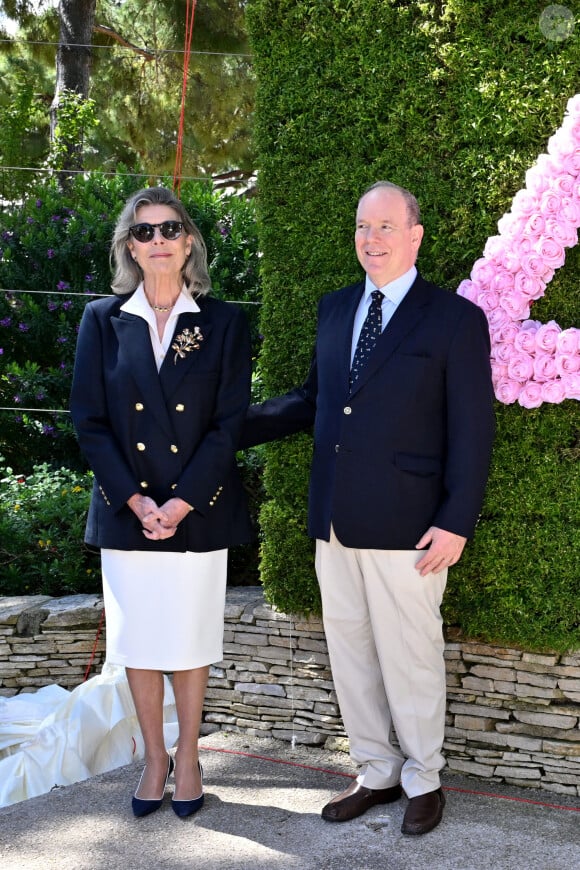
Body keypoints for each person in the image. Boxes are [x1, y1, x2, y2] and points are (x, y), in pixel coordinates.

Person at [241, 181, 495, 835]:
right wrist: (227, 428)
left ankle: (424, 779)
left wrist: (456, 519)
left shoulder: (453, 320)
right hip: (334, 520)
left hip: (411, 526)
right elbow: (312, 401)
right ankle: (375, 772)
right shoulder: (334, 310)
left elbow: (472, 430)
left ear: (415, 235)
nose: (371, 238)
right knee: (350, 653)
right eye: (362, 226)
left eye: (385, 226)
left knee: (410, 657)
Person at [70, 186, 252, 818]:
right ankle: (154, 758)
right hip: (127, 514)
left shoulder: (223, 321)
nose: (158, 242)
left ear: (190, 240)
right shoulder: (102, 319)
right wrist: (135, 499)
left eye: (169, 229)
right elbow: (88, 421)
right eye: (143, 232)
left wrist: (179, 503)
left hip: (195, 512)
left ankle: (190, 758)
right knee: (141, 641)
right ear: (129, 246)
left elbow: (228, 425)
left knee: (190, 638)